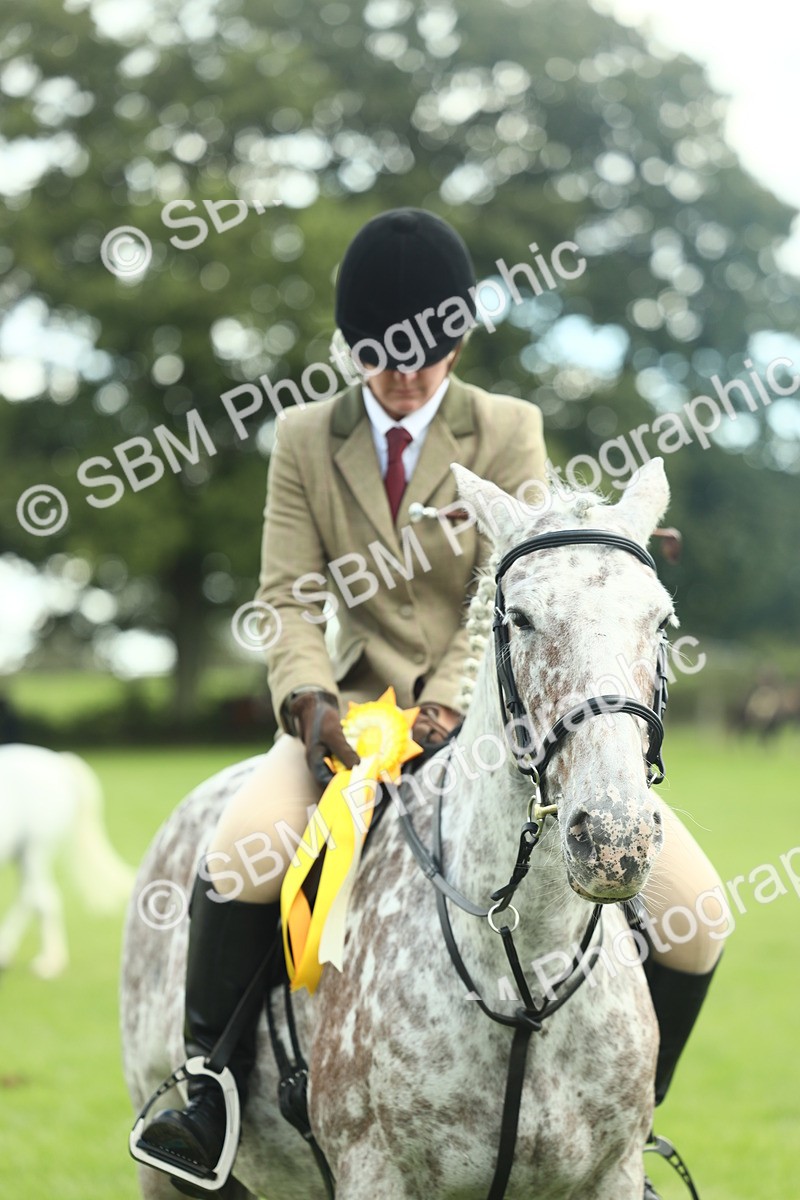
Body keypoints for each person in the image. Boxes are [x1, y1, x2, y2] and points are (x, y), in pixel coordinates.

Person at [139, 209, 723, 1200]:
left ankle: (629, 1117)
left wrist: (452, 704)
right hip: (344, 721)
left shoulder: (506, 430)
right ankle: (208, 1099)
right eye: (376, 358)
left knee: (700, 914)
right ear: (350, 346)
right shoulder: (302, 439)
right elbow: (286, 595)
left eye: (419, 358)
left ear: (455, 340)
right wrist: (309, 702)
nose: (400, 380)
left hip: (494, 724)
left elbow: (517, 588)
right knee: (240, 854)